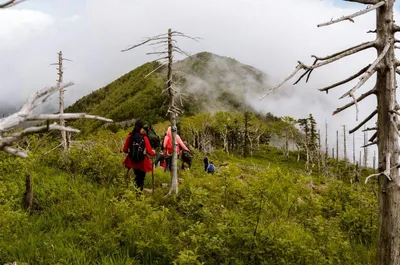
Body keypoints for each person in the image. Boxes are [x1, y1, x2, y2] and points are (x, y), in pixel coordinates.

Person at [122, 120, 155, 191]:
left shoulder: (130, 136)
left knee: (137, 176)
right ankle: (139, 194)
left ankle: (135, 193)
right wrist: (153, 152)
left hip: (133, 161)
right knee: (141, 179)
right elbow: (150, 152)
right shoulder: (144, 138)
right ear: (141, 128)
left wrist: (131, 152)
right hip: (142, 162)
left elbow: (124, 149)